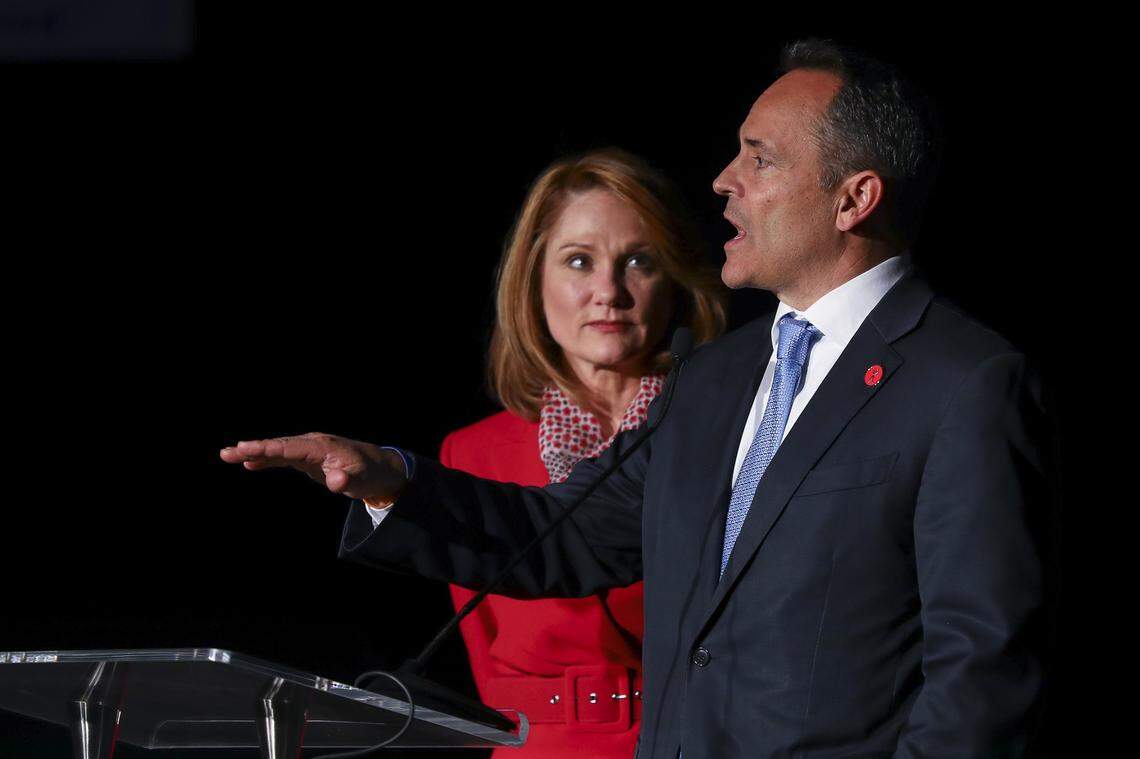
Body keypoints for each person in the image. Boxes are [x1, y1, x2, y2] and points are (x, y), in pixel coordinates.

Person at [222, 39, 1052, 758]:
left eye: (759, 159)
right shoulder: (716, 380)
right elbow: (562, 538)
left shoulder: (963, 384)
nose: (724, 181)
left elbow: (981, 672)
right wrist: (388, 478)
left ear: (853, 197)